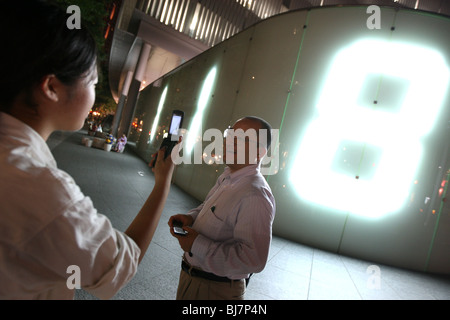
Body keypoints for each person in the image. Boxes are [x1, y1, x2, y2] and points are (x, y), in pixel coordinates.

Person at [0, 1, 175, 300]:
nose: (95, 95)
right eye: (92, 81)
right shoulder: (43, 191)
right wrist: (162, 183)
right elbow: (119, 266)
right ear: (52, 87)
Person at [168, 116, 276, 300]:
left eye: (241, 138)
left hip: (216, 291)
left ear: (260, 153)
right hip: (192, 279)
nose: (229, 141)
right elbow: (209, 207)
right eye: (230, 134)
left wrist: (196, 244)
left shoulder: (255, 194)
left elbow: (254, 260)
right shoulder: (228, 177)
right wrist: (192, 218)